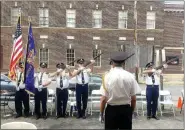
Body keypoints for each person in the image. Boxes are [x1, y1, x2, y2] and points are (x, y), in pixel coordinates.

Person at [99, 52, 141, 129]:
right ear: (124, 63)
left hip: (111, 110)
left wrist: (101, 113)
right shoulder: (130, 76)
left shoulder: (107, 76)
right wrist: (130, 112)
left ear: (112, 63)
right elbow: (134, 99)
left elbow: (103, 99)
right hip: (126, 110)